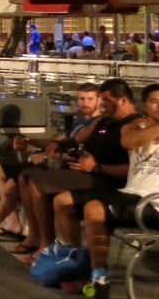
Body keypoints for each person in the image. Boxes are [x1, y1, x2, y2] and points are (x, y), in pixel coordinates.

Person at [54, 85, 159, 299]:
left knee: (94, 208)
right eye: (154, 101)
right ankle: (81, 263)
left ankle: (98, 277)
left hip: (155, 205)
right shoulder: (135, 127)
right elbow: (130, 142)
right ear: (144, 106)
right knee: (62, 201)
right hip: (129, 194)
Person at [14, 79, 139, 260]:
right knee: (25, 175)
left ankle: (47, 244)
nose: (102, 105)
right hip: (85, 170)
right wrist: (56, 144)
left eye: (106, 101)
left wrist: (96, 168)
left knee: (37, 183)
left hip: (104, 178)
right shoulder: (104, 121)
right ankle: (36, 236)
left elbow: (134, 169)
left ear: (123, 100)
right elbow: (74, 140)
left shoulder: (132, 126)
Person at [0, 83, 101, 245]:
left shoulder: (97, 125)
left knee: (14, 184)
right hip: (54, 164)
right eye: (82, 99)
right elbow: (57, 142)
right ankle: (14, 223)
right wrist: (30, 141)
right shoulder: (80, 123)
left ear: (99, 100)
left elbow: (79, 155)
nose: (85, 103)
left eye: (90, 99)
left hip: (64, 169)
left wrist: (46, 156)